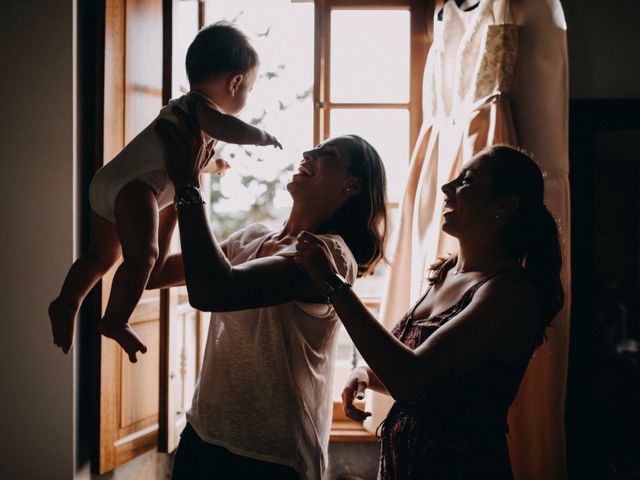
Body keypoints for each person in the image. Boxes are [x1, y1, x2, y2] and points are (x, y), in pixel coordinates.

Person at [294, 145, 564, 479]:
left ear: (504, 205)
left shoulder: (508, 293)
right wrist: (365, 375)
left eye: (465, 181)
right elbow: (424, 368)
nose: (446, 188)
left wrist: (333, 284)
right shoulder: (449, 272)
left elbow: (410, 378)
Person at [156, 109, 388, 479]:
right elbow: (155, 271)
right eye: (312, 149)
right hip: (203, 433)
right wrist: (171, 187)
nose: (308, 154)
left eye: (327, 155)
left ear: (352, 186)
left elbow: (213, 291)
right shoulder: (252, 236)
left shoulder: (328, 255)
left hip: (273, 458)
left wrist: (188, 182)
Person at [48, 22, 281, 362]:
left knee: (100, 257)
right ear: (235, 83)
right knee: (144, 256)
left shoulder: (185, 116)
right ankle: (114, 319)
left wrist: (214, 167)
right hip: (135, 189)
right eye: (249, 89)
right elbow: (223, 128)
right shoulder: (199, 107)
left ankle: (67, 300)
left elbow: (192, 158)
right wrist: (260, 136)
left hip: (111, 183)